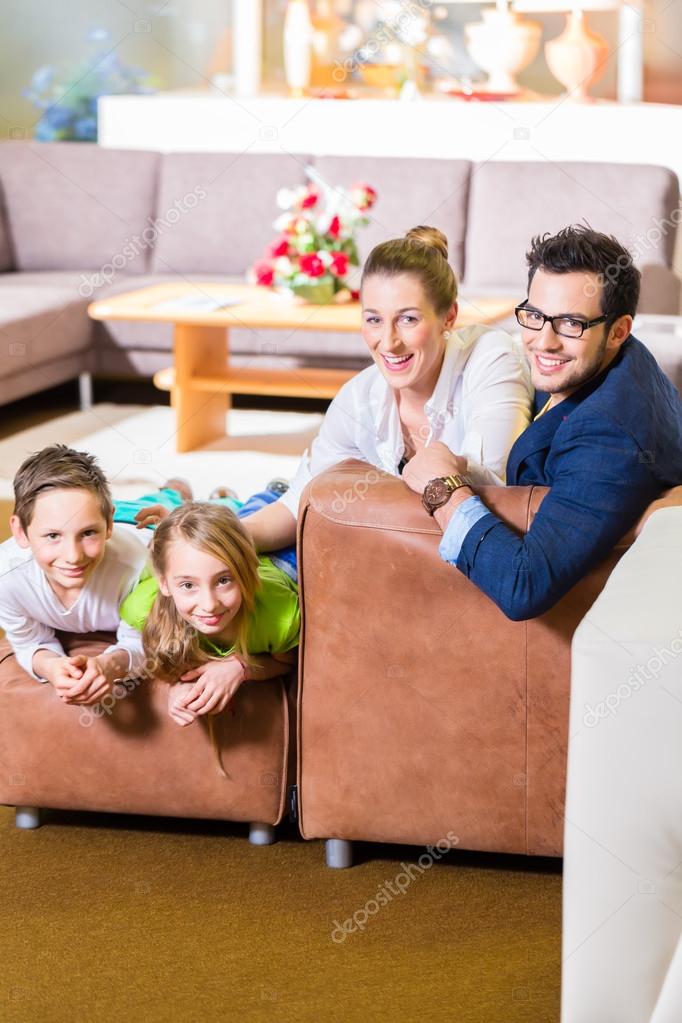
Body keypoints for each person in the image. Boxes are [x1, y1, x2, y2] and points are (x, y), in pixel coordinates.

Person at [402, 224, 682, 619]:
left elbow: (523, 586)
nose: (543, 341)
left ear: (619, 330)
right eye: (535, 315)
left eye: (571, 323)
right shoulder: (622, 359)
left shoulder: (609, 437)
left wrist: (443, 489)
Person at [234, 225, 534, 555]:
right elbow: (300, 502)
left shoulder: (490, 356)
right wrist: (219, 537)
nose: (388, 342)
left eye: (408, 319)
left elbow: (498, 490)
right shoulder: (360, 397)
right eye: (374, 320)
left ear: (449, 316)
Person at [119, 502, 298, 729]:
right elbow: (139, 652)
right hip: (235, 544)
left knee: (267, 512)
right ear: (163, 583)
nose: (210, 605)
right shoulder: (141, 608)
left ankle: (269, 491)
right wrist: (173, 686)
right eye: (187, 585)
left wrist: (241, 667)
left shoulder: (278, 617)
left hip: (282, 564)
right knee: (237, 518)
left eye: (224, 580)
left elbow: (287, 662)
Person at [0, 444, 150, 706]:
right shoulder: (7, 578)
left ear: (108, 525)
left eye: (88, 533)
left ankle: (176, 490)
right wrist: (51, 666)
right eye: (52, 536)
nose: (73, 556)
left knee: (181, 508)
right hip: (110, 518)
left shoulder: (140, 568)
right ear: (21, 532)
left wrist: (110, 665)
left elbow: (142, 643)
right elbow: (28, 641)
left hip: (140, 528)